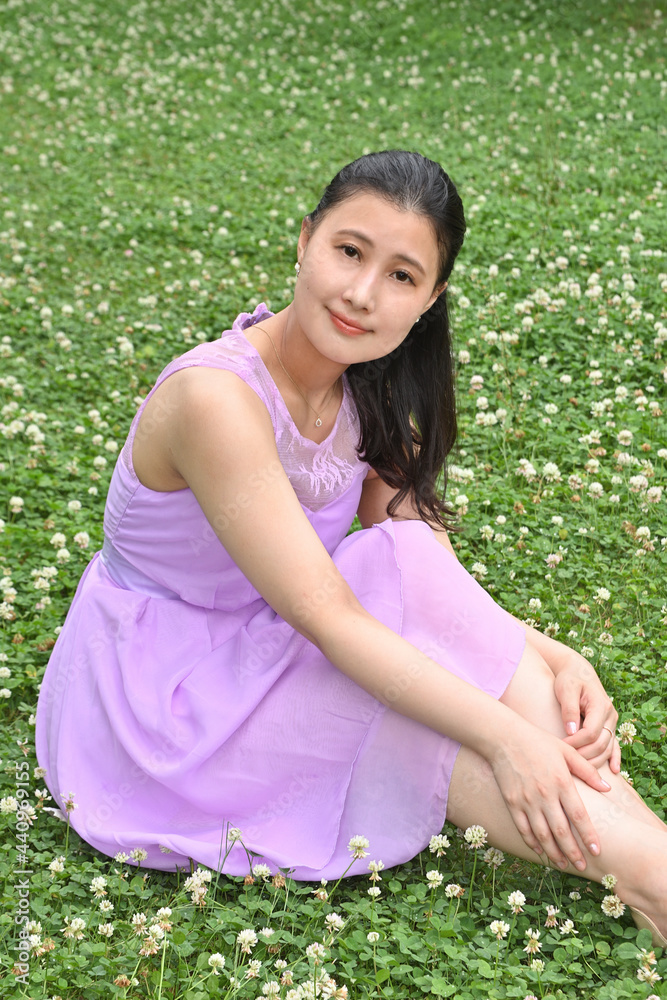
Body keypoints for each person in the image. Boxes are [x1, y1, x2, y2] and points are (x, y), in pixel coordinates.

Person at [36, 150, 666, 945]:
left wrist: (550, 654)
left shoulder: (364, 387)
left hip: (272, 646)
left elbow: (430, 579)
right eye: (348, 251)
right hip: (166, 705)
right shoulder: (213, 399)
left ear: (430, 300)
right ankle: (648, 873)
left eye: (401, 276)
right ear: (305, 240)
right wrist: (508, 739)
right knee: (417, 718)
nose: (362, 293)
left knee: (405, 560)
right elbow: (330, 619)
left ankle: (649, 865)